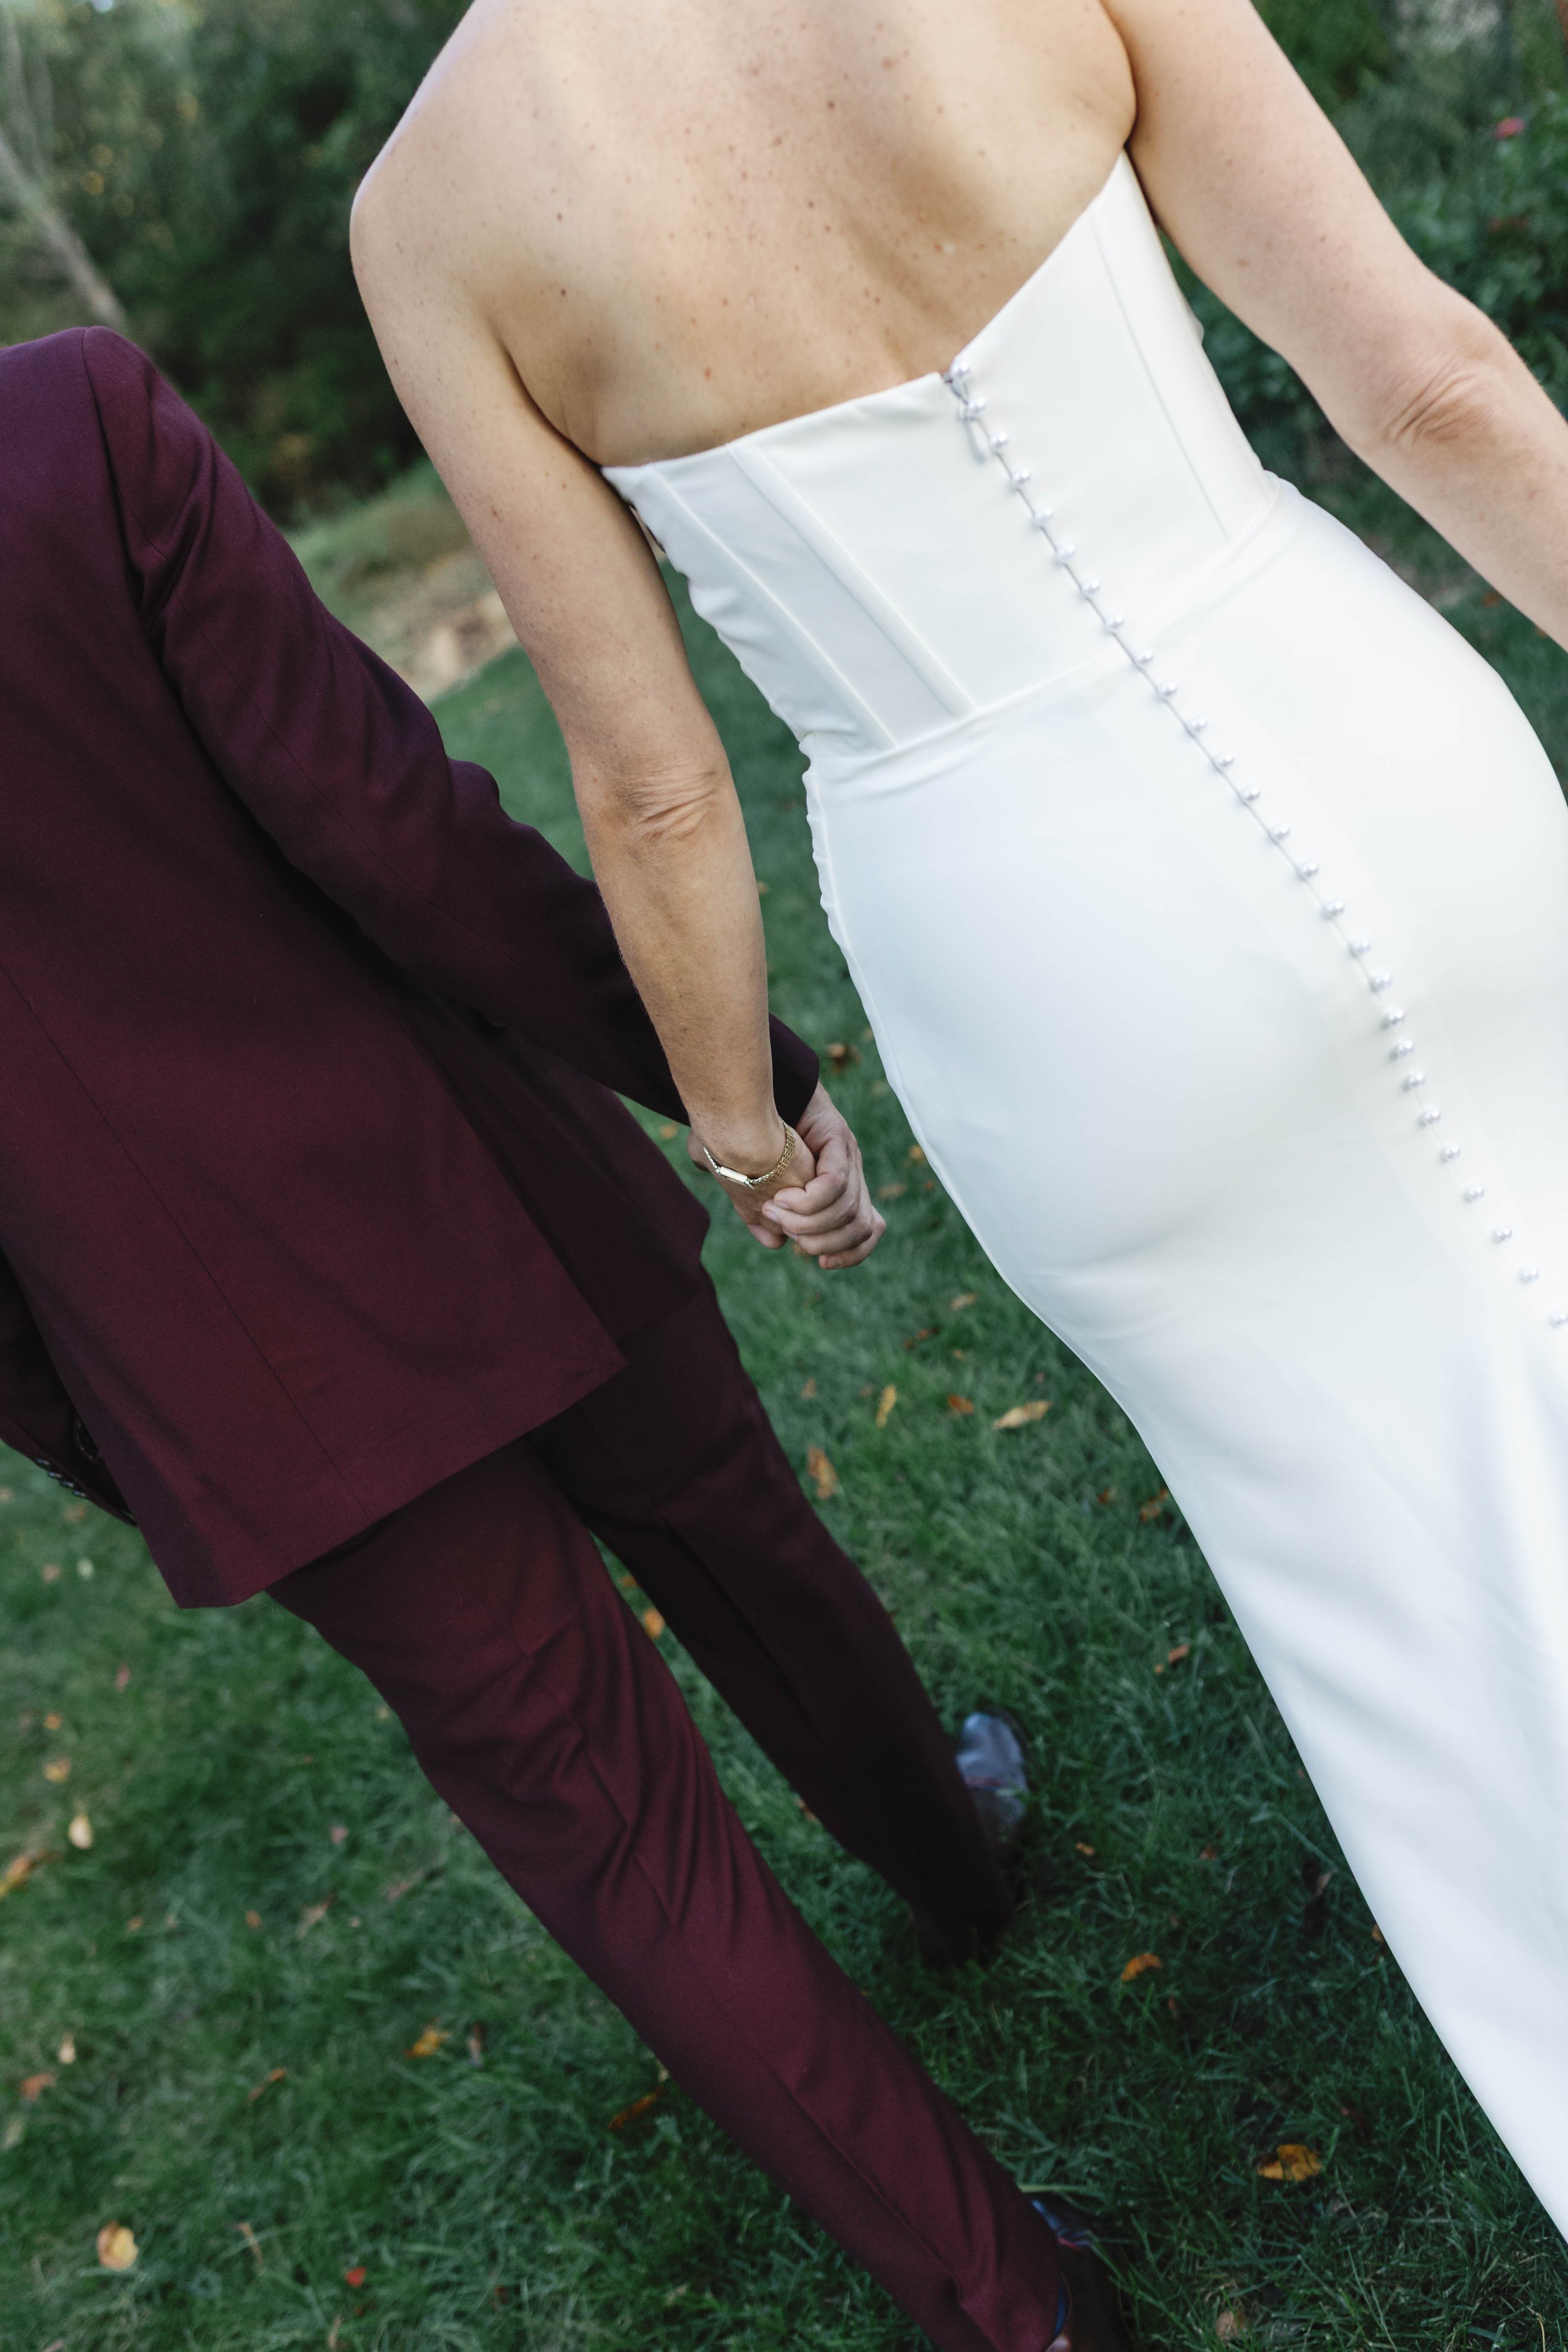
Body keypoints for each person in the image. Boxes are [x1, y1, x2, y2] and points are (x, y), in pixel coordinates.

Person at [352, 0, 1568, 2260]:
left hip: (1039, 958)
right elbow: (1423, 382)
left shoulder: (435, 218)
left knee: (1388, 1580)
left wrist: (740, 1114)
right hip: (1373, 755)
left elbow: (652, 780)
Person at [0, 324, 1133, 2352]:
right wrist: (723, 1075)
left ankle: (1010, 2310)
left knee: (610, 1824)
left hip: (227, 1367)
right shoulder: (61, 425)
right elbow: (393, 824)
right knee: (741, 1546)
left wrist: (105, 1425)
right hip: (478, 1168)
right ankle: (955, 1870)